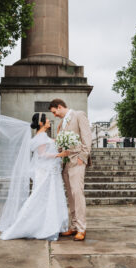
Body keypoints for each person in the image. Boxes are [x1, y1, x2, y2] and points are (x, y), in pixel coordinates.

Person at [0, 113, 69, 240]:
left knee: (50, 197)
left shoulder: (42, 136)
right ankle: (35, 225)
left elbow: (52, 143)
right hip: (45, 172)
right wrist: (60, 155)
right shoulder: (41, 137)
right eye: (47, 120)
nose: (49, 121)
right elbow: (42, 155)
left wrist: (61, 134)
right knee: (41, 197)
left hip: (49, 171)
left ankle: (51, 224)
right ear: (41, 123)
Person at [49, 99, 92, 241]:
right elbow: (61, 144)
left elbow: (86, 137)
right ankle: (73, 226)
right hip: (65, 164)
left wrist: (83, 157)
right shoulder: (61, 124)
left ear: (60, 107)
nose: (54, 115)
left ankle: (81, 228)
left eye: (54, 112)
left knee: (77, 193)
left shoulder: (79, 115)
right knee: (71, 196)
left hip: (77, 161)